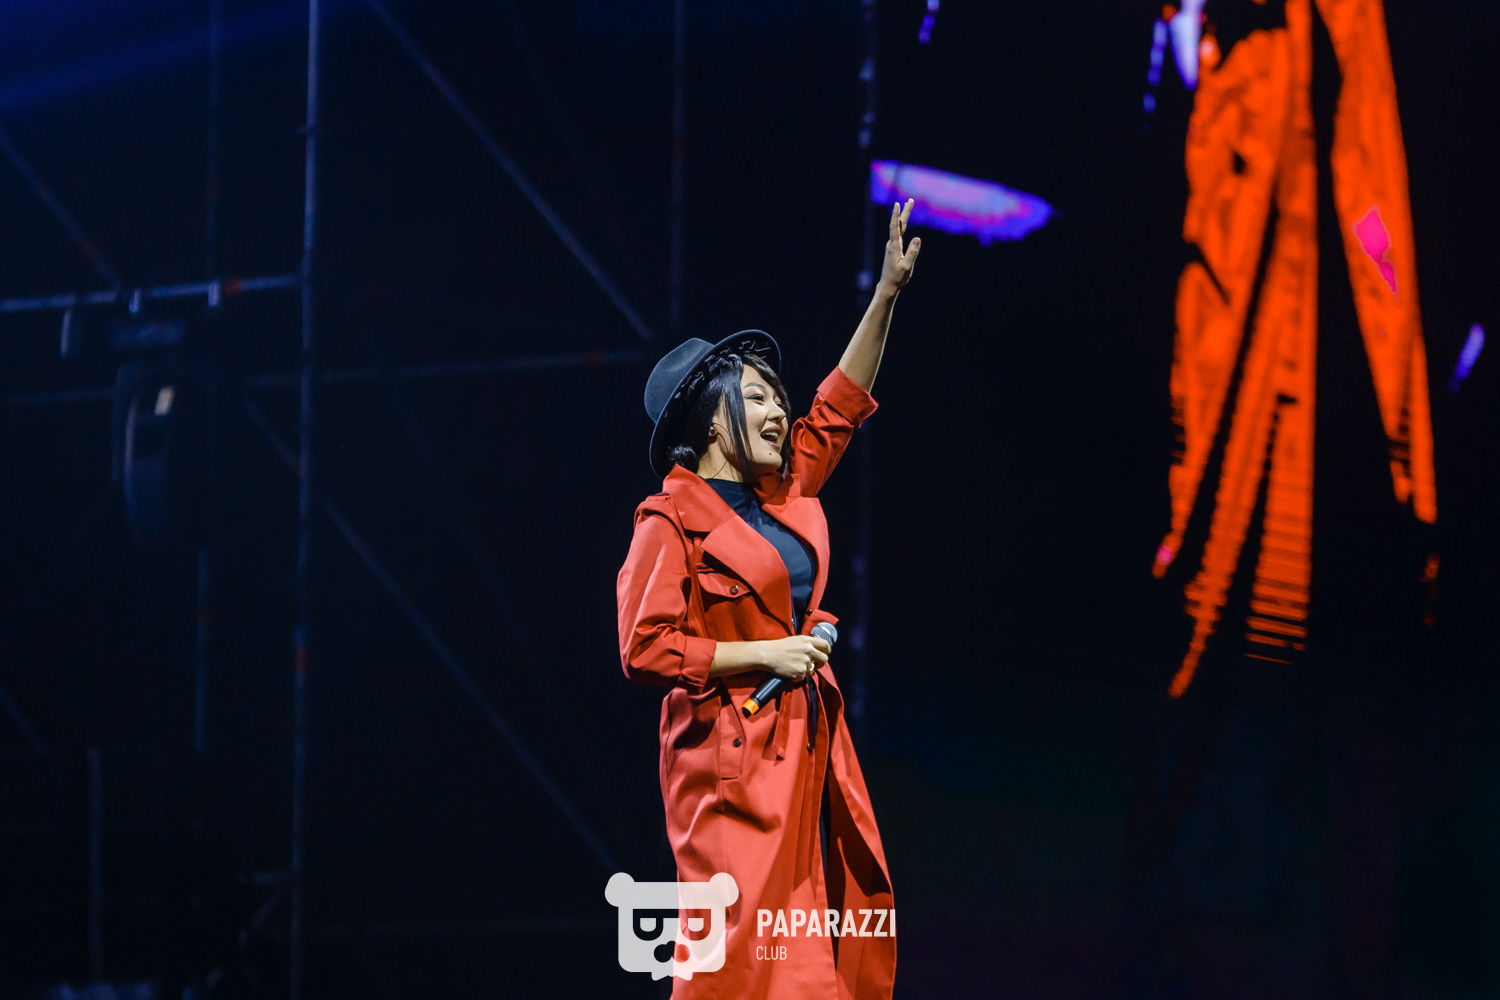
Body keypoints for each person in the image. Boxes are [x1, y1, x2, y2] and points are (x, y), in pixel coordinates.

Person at [615, 200, 921, 998]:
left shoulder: (783, 494)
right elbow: (644, 647)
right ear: (711, 420)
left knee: (809, 957)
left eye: (778, 399)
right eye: (757, 399)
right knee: (734, 963)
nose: (780, 412)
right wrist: (767, 653)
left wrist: (886, 295)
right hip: (728, 764)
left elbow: (839, 408)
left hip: (803, 747)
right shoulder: (669, 518)